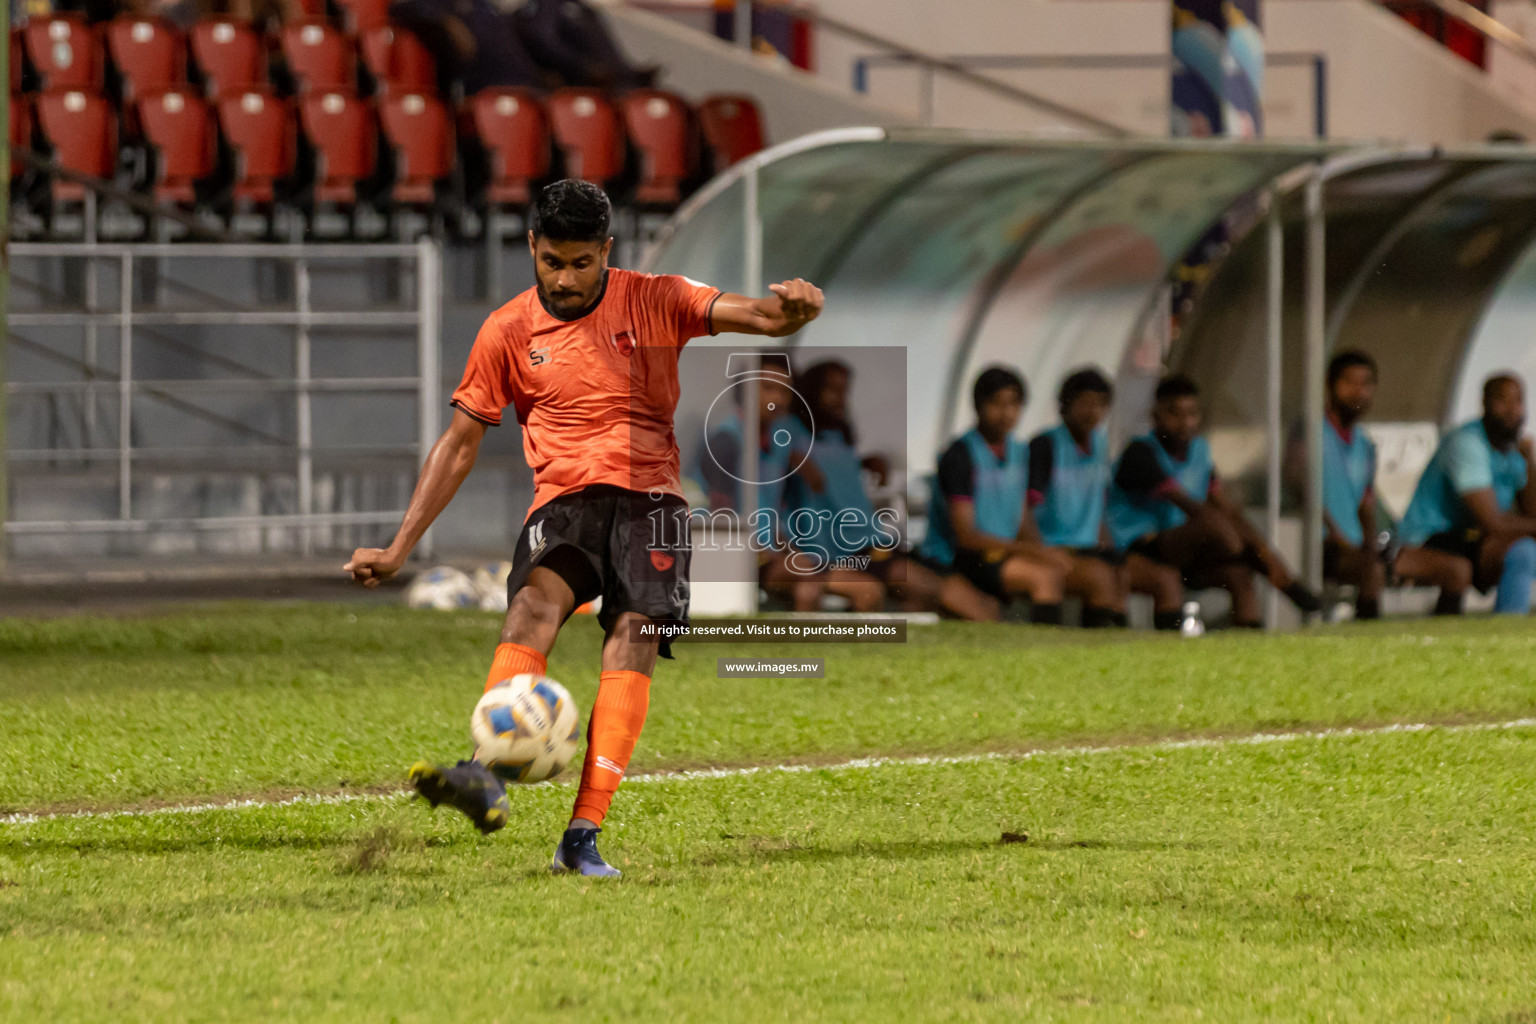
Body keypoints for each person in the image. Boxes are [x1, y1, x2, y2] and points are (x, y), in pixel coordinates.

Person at [344, 180, 825, 876]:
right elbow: (458, 443)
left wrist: (793, 313)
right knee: (532, 607)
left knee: (632, 638)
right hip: (565, 503)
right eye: (551, 262)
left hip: (651, 503)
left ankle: (582, 834)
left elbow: (758, 316)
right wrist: (398, 547)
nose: (565, 279)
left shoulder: (657, 297)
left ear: (606, 251)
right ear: (533, 248)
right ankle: (486, 771)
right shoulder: (507, 330)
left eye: (581, 263)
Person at [784, 360, 997, 620]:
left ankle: (901, 651)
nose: (840, 399)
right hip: (834, 550)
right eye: (832, 390)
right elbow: (780, 454)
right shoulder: (790, 432)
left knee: (933, 589)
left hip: (869, 541)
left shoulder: (837, 436)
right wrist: (795, 460)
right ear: (810, 391)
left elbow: (834, 470)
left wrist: (866, 461)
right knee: (907, 589)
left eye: (844, 391)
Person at [1108, 374, 1321, 629]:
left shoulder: (1200, 450)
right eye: (1174, 413)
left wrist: (1248, 542)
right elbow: (1188, 505)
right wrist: (1230, 540)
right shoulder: (1140, 452)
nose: (1185, 422)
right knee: (1213, 523)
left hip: (1189, 545)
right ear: (1156, 416)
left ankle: (1254, 644)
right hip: (1143, 545)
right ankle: (1285, 582)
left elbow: (1224, 506)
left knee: (1239, 573)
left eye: (1192, 413)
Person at [919, 366, 1065, 623]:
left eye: (1013, 404)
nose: (1005, 413)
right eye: (996, 403)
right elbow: (966, 537)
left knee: (1065, 569)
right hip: (957, 558)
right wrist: (1032, 552)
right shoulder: (960, 455)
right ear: (978, 406)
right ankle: (1048, 654)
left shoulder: (1019, 452)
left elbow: (1021, 519)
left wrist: (1042, 550)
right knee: (1043, 577)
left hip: (1001, 551)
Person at [1394, 373, 1536, 615]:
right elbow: (1493, 524)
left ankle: (1510, 628)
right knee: (1521, 550)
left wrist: (1530, 461)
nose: (1512, 410)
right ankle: (1505, 630)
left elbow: (1531, 514)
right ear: (1485, 404)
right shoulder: (1467, 442)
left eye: (1518, 401)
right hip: (1430, 540)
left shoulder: (1512, 452)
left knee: (1524, 549)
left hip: (1470, 541)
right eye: (1503, 401)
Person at [1026, 367, 1127, 627]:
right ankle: (1092, 647)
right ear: (1064, 406)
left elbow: (1099, 500)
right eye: (1084, 403)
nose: (1092, 412)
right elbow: (1025, 508)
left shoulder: (1101, 444)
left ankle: (1114, 645)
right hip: (1054, 545)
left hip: (1087, 546)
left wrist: (1109, 543)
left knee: (1124, 574)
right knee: (1100, 578)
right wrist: (1040, 551)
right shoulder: (1045, 445)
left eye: (1099, 404)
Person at [1315, 350, 1385, 620]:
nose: (1358, 391)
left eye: (1366, 383)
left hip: (1352, 546)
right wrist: (1336, 534)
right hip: (1316, 542)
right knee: (1371, 571)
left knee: (1375, 565)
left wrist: (1371, 544)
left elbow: (1364, 503)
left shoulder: (1365, 445)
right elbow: (1301, 493)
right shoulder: (1311, 433)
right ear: (1329, 384)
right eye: (1349, 382)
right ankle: (1370, 642)